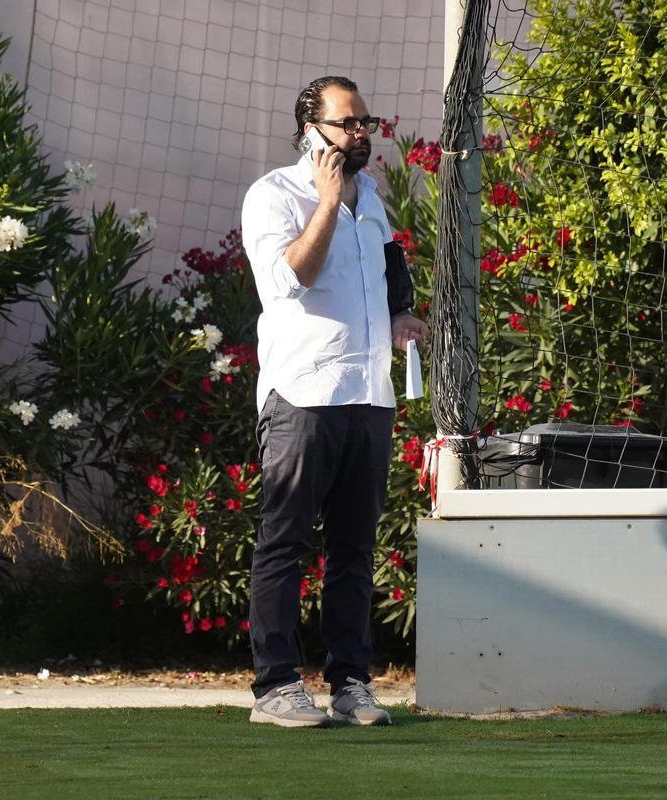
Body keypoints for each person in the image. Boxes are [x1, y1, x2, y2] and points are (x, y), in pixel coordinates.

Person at [240, 76, 428, 727]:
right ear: (310, 129)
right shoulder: (274, 195)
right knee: (285, 540)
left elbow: (385, 272)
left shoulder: (372, 197)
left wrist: (402, 317)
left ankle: (351, 683)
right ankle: (276, 687)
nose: (360, 134)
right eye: (347, 123)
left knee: (354, 548)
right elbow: (293, 276)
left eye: (363, 123)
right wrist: (324, 202)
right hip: (303, 395)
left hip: (369, 397)